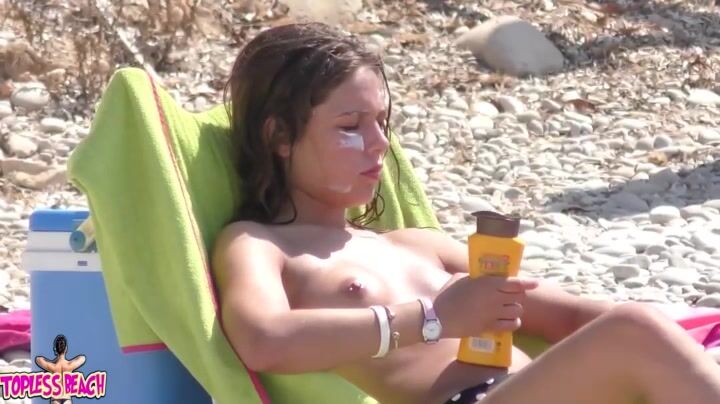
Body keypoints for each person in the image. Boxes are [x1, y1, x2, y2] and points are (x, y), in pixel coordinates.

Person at [211, 22, 720, 404]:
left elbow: (570, 315)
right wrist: (434, 318)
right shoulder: (262, 244)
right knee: (634, 329)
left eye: (382, 122)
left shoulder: (417, 245)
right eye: (350, 126)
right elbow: (264, 340)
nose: (380, 144)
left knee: (641, 328)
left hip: (530, 388)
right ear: (279, 135)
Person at [35, 334, 86, 404]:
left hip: (55, 399)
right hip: (67, 398)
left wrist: (53, 361)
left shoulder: (52, 366)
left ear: (55, 349)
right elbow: (83, 358)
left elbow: (38, 359)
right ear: (66, 349)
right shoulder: (70, 365)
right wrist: (69, 361)